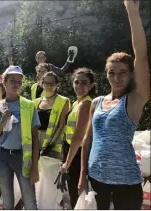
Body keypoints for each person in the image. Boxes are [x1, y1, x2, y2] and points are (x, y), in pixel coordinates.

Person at [78, 0, 150, 209]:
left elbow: (142, 57)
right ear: (106, 75)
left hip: (125, 183)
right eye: (111, 73)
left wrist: (132, 13)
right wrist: (83, 174)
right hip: (97, 179)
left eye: (122, 73)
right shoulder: (98, 102)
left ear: (130, 75)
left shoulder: (134, 100)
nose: (116, 78)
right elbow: (88, 139)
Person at [0, 65, 40, 209]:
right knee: (7, 197)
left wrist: (35, 166)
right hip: (2, 156)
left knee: (29, 198)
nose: (16, 84)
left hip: (22, 157)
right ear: (4, 82)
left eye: (19, 81)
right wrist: (2, 122)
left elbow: (35, 138)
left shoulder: (29, 106)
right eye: (12, 80)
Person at [60, 68, 96, 209]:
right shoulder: (76, 103)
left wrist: (67, 163)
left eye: (84, 83)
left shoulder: (86, 104)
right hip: (71, 151)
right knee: (74, 191)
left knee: (78, 193)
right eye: (76, 82)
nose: (79, 86)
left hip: (78, 153)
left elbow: (78, 137)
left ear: (91, 85)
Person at [34, 71, 70, 159]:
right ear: (42, 83)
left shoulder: (64, 101)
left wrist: (50, 145)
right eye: (46, 83)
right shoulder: (36, 102)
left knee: (50, 171)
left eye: (52, 83)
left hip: (54, 142)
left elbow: (61, 126)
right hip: (36, 141)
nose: (49, 86)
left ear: (57, 84)